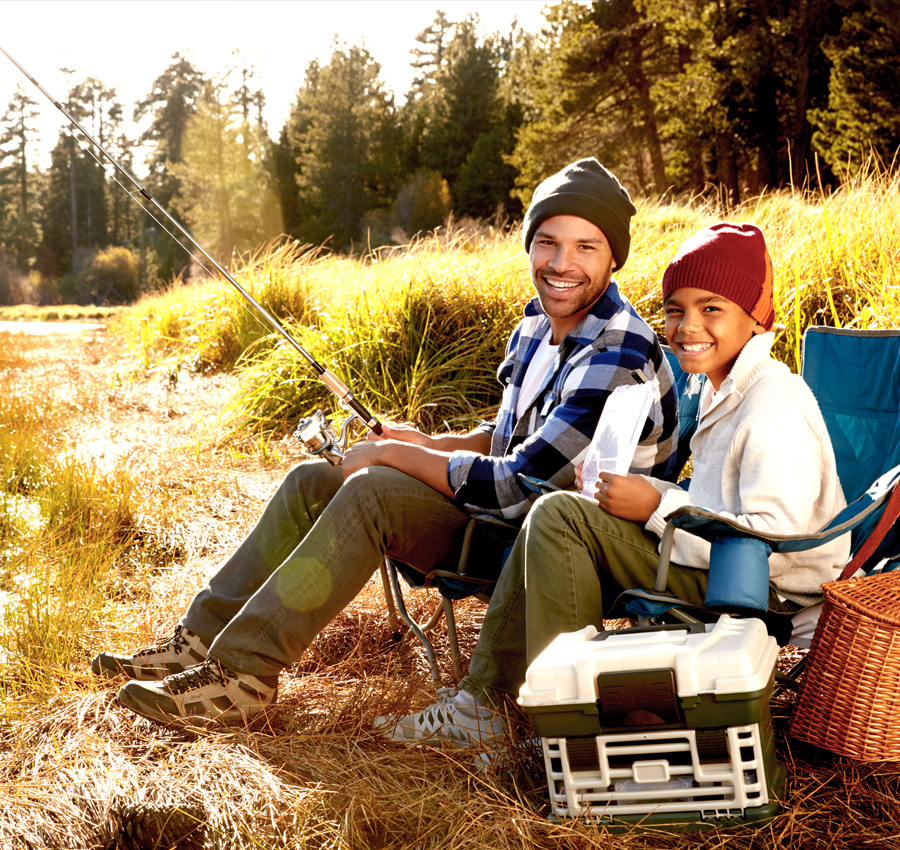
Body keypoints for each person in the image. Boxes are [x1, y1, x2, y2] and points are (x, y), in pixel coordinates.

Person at [91, 158, 680, 725]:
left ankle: (240, 678)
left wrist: (393, 454)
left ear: (613, 259)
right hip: (501, 518)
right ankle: (197, 643)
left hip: (543, 547)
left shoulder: (618, 349)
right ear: (529, 244)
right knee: (313, 480)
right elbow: (501, 438)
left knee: (372, 487)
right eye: (548, 241)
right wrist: (424, 439)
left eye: (586, 247)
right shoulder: (535, 325)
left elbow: (514, 486)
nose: (561, 262)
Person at [380, 221, 849, 747]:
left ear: (757, 317)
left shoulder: (773, 403)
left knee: (560, 516)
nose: (688, 326)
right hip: (717, 559)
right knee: (561, 511)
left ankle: (562, 725)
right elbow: (719, 506)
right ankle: (498, 706)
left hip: (765, 589)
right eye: (676, 309)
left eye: (711, 308)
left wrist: (655, 505)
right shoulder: (725, 389)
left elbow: (774, 539)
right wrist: (646, 497)